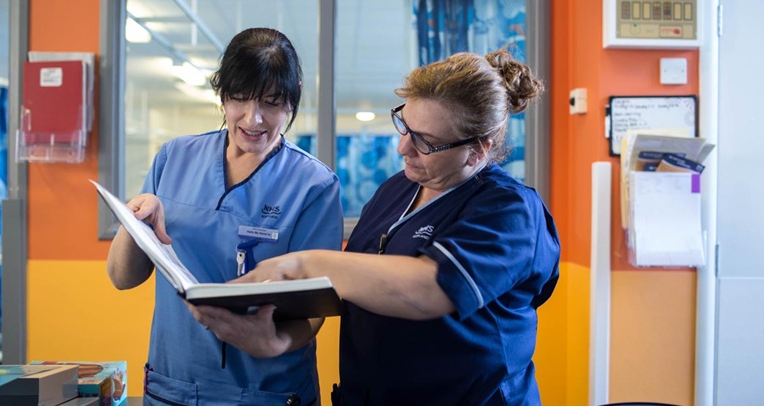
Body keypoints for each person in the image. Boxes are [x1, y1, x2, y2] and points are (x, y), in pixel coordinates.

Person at [236, 47, 560, 405]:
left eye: (426, 141)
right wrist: (276, 333)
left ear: (478, 151)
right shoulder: (397, 189)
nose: (403, 147)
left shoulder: (511, 211)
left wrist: (304, 263)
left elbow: (428, 289)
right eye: (404, 125)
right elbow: (359, 285)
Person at [106, 27, 343, 406]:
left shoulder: (313, 185)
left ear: (292, 99)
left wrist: (270, 342)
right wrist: (136, 220)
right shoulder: (173, 158)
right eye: (241, 99)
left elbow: (313, 311)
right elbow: (122, 277)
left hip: (268, 390)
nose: (254, 118)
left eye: (271, 102)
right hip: (174, 386)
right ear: (222, 95)